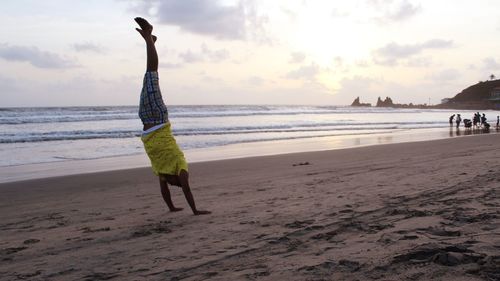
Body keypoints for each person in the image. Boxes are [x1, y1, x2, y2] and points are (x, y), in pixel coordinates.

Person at [135, 17, 210, 215]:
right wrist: (195, 210)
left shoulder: (162, 171)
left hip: (145, 120)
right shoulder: (180, 167)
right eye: (177, 183)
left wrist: (171, 208)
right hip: (159, 119)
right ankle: (149, 36)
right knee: (151, 74)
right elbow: (186, 188)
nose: (176, 184)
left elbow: (164, 191)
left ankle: (150, 41)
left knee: (147, 78)